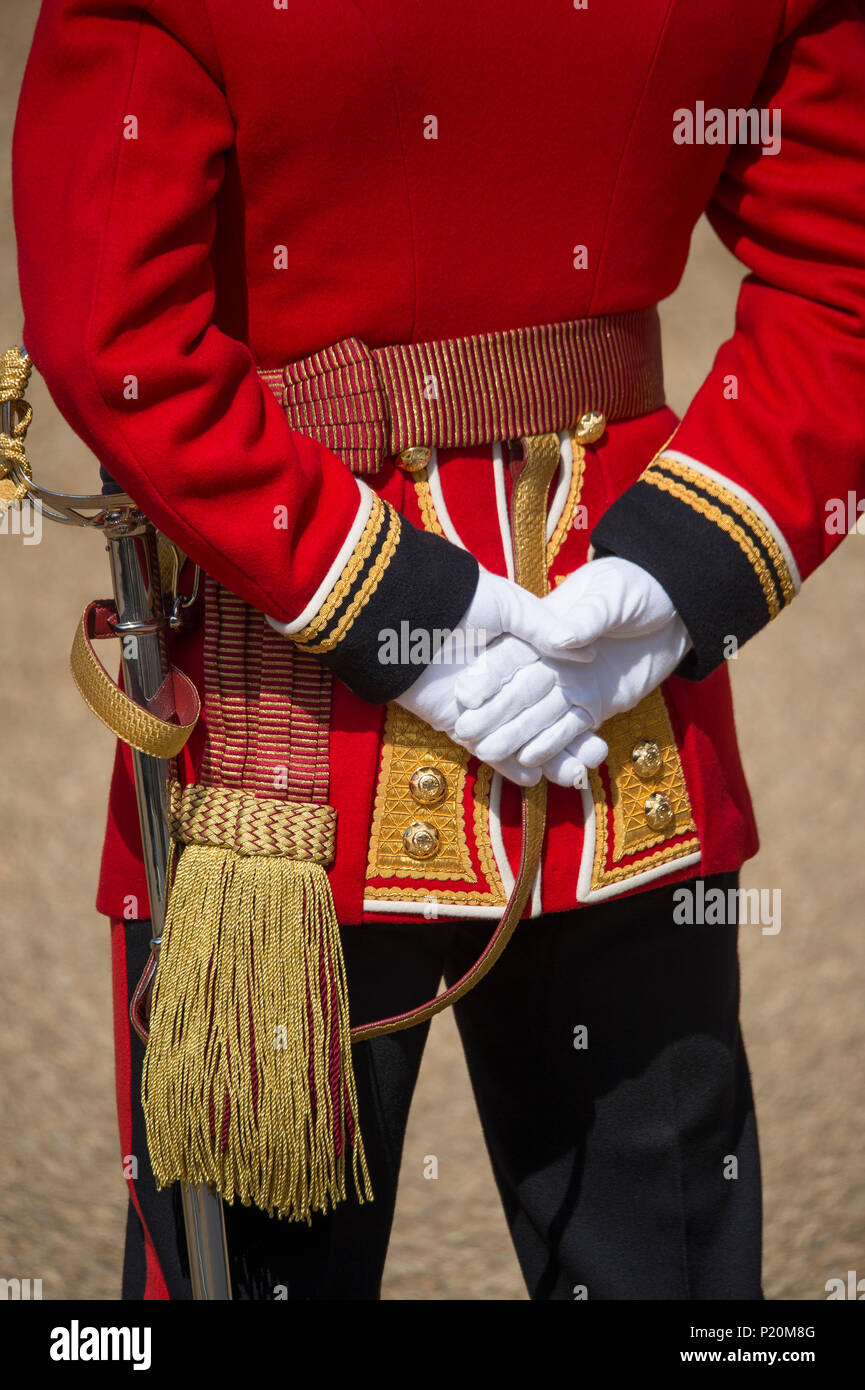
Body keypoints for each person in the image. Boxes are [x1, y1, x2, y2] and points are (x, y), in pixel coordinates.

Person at [11, 0, 865, 1300]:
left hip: (283, 696)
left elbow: (113, 336)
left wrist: (366, 587)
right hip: (609, 684)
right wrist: (668, 573)